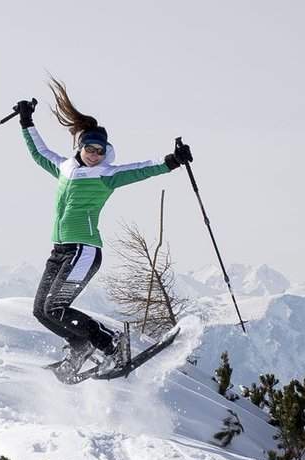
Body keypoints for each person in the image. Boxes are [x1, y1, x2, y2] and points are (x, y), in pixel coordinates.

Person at [14, 79, 193, 376]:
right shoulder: (65, 168)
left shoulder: (106, 175)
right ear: (80, 147)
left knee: (56, 308)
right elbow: (39, 153)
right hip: (60, 251)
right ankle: (81, 344)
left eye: (100, 150)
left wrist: (171, 161)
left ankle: (111, 344)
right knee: (41, 311)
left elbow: (141, 169)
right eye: (90, 149)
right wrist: (26, 121)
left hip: (84, 250)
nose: (95, 154)